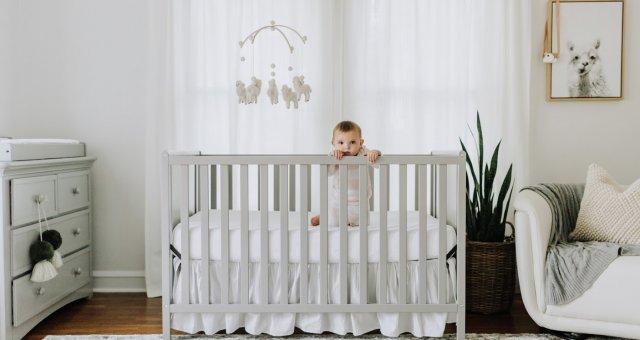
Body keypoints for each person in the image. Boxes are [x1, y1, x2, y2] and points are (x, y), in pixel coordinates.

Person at [310, 120, 381, 227]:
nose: (347, 146)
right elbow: (328, 173)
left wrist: (375, 153)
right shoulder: (334, 156)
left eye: (352, 142)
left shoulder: (363, 152)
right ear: (333, 143)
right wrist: (334, 160)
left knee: (362, 226)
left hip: (360, 203)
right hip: (338, 202)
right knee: (332, 224)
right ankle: (324, 217)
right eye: (341, 143)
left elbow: (377, 164)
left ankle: (329, 216)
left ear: (360, 143)